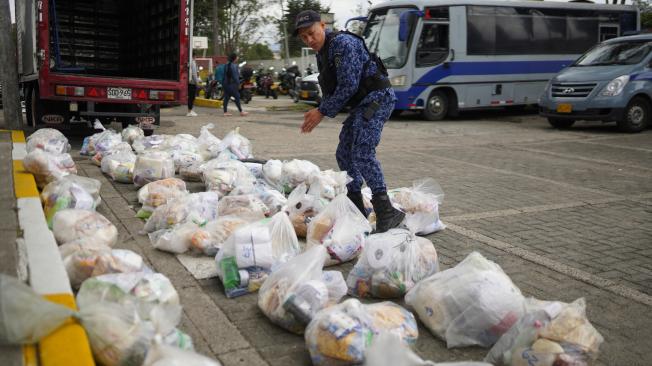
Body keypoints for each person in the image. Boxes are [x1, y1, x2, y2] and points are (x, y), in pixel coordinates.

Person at [294, 10, 404, 233]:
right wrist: (320, 108)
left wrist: (321, 112)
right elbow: (332, 87)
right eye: (304, 37)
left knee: (362, 152)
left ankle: (386, 211)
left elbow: (349, 85)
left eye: (312, 33)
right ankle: (355, 208)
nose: (309, 40)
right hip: (362, 104)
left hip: (377, 99)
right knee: (344, 152)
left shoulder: (343, 44)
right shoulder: (322, 52)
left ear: (323, 26)